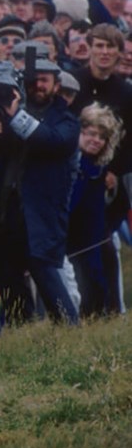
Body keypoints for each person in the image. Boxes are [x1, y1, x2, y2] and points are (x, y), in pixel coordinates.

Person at [0, 60, 80, 326]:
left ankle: (72, 333)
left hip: (40, 219)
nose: (38, 85)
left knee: (49, 281)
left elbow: (52, 141)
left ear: (56, 85)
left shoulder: (66, 120)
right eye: (33, 80)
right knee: (10, 289)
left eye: (44, 80)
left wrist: (13, 116)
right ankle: (21, 343)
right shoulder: (5, 118)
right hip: (4, 218)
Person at [68, 104, 123, 317]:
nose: (95, 140)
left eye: (101, 137)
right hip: (70, 239)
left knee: (97, 286)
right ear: (80, 132)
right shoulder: (72, 163)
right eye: (91, 134)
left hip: (92, 239)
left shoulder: (98, 168)